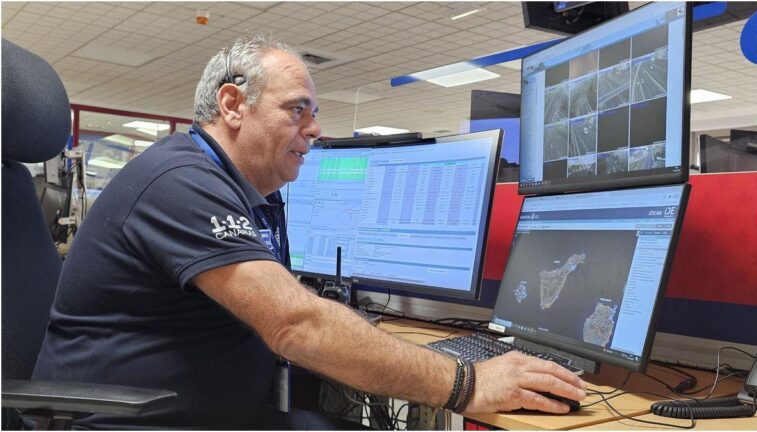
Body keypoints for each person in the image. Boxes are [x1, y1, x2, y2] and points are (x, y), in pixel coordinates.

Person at [32, 34, 587, 429]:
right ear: (232, 105)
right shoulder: (179, 179)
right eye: (298, 110)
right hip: (126, 422)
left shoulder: (241, 191)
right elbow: (295, 325)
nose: (316, 130)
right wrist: (467, 383)